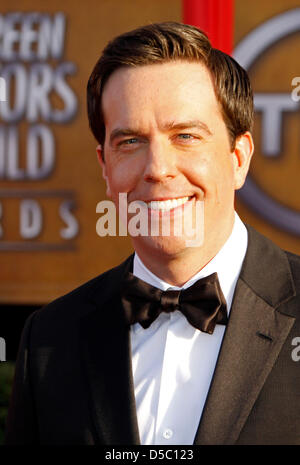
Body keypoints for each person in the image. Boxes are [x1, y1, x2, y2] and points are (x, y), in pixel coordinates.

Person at [5, 22, 300, 445]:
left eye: (185, 136)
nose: (157, 168)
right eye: (129, 142)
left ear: (238, 158)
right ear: (105, 167)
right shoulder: (50, 340)